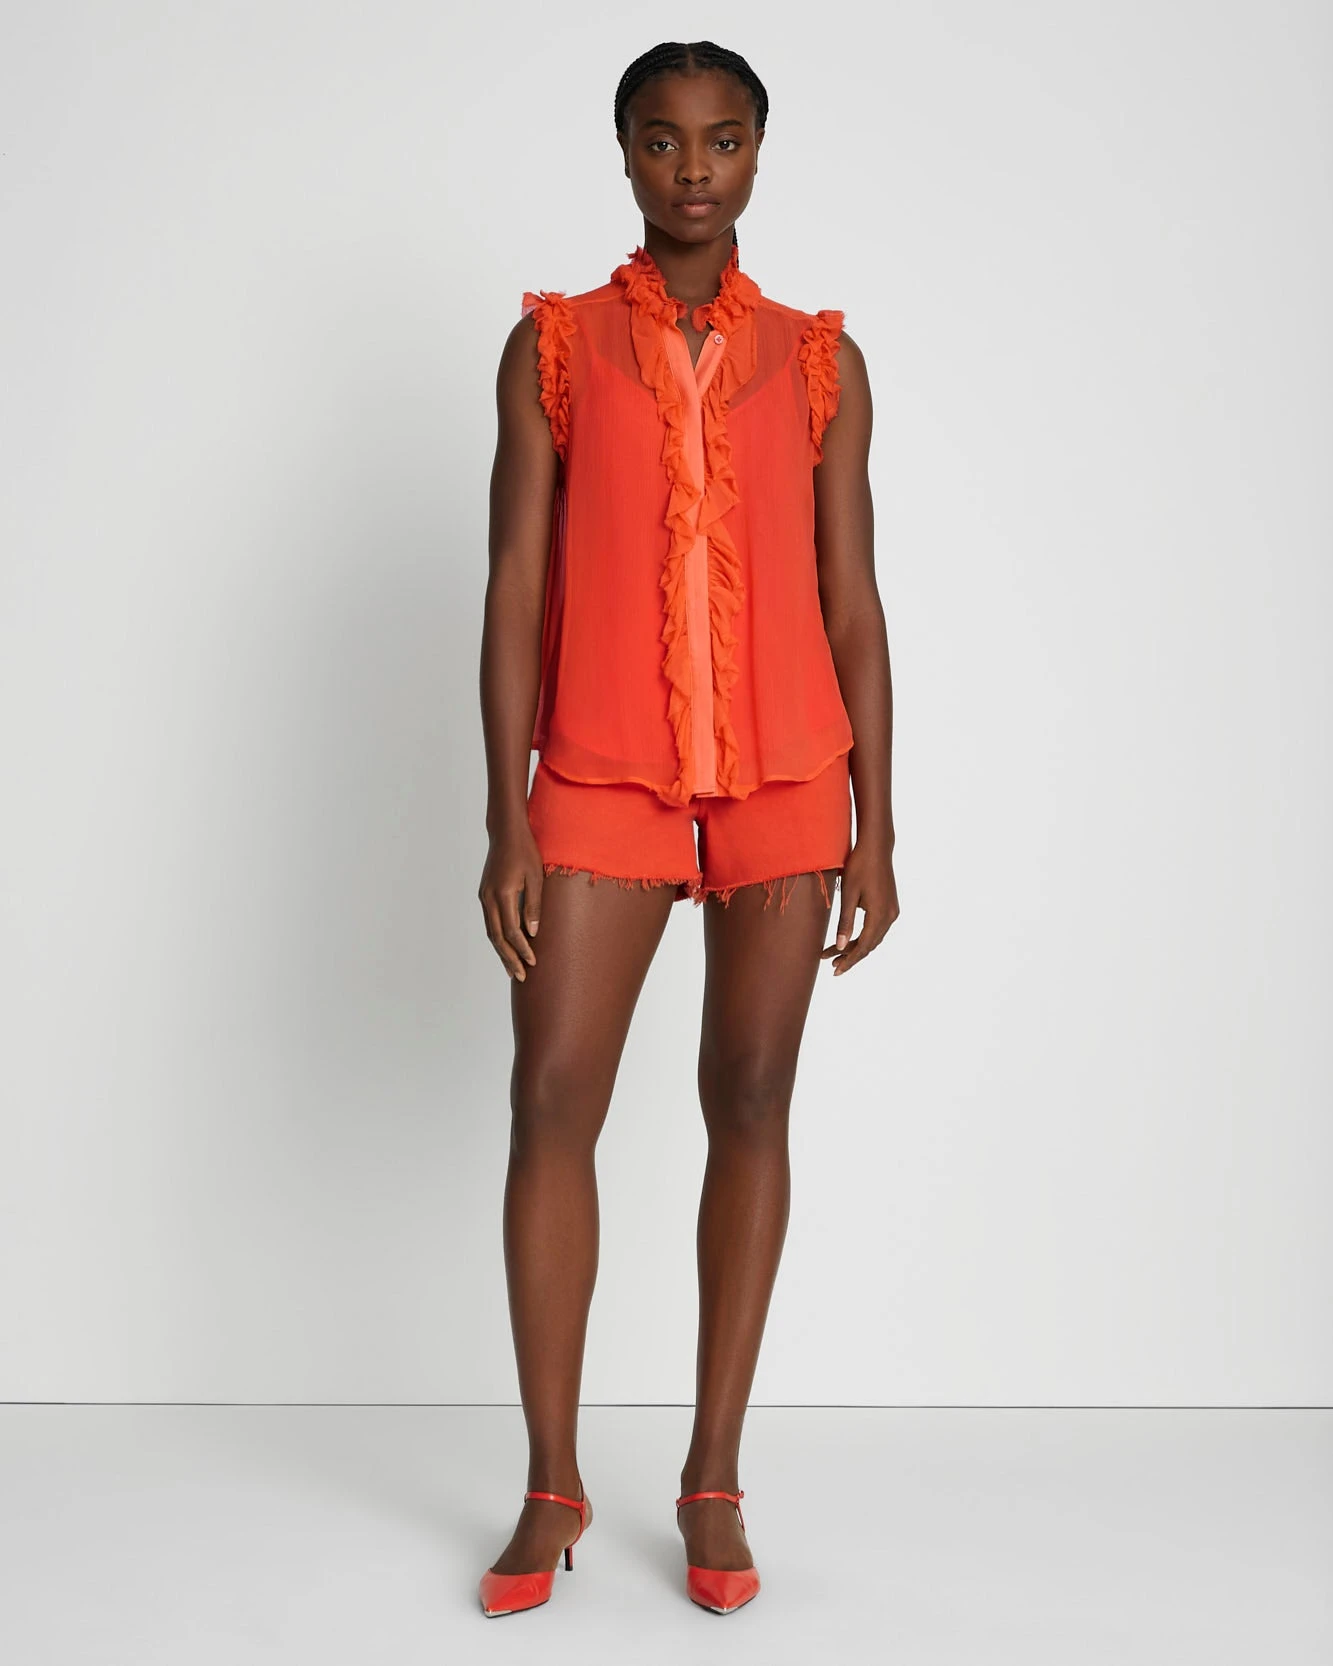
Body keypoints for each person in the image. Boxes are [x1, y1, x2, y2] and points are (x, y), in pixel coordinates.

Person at [475, 39, 899, 1618]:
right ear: (626, 155)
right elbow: (515, 583)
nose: (694, 170)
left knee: (753, 1096)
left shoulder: (822, 361)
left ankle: (712, 1474)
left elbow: (852, 597)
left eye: (723, 140)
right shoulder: (555, 348)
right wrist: (507, 812)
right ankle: (551, 1482)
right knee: (551, 1099)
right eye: (663, 141)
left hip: (789, 774)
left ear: (760, 154)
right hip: (600, 766)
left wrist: (878, 821)